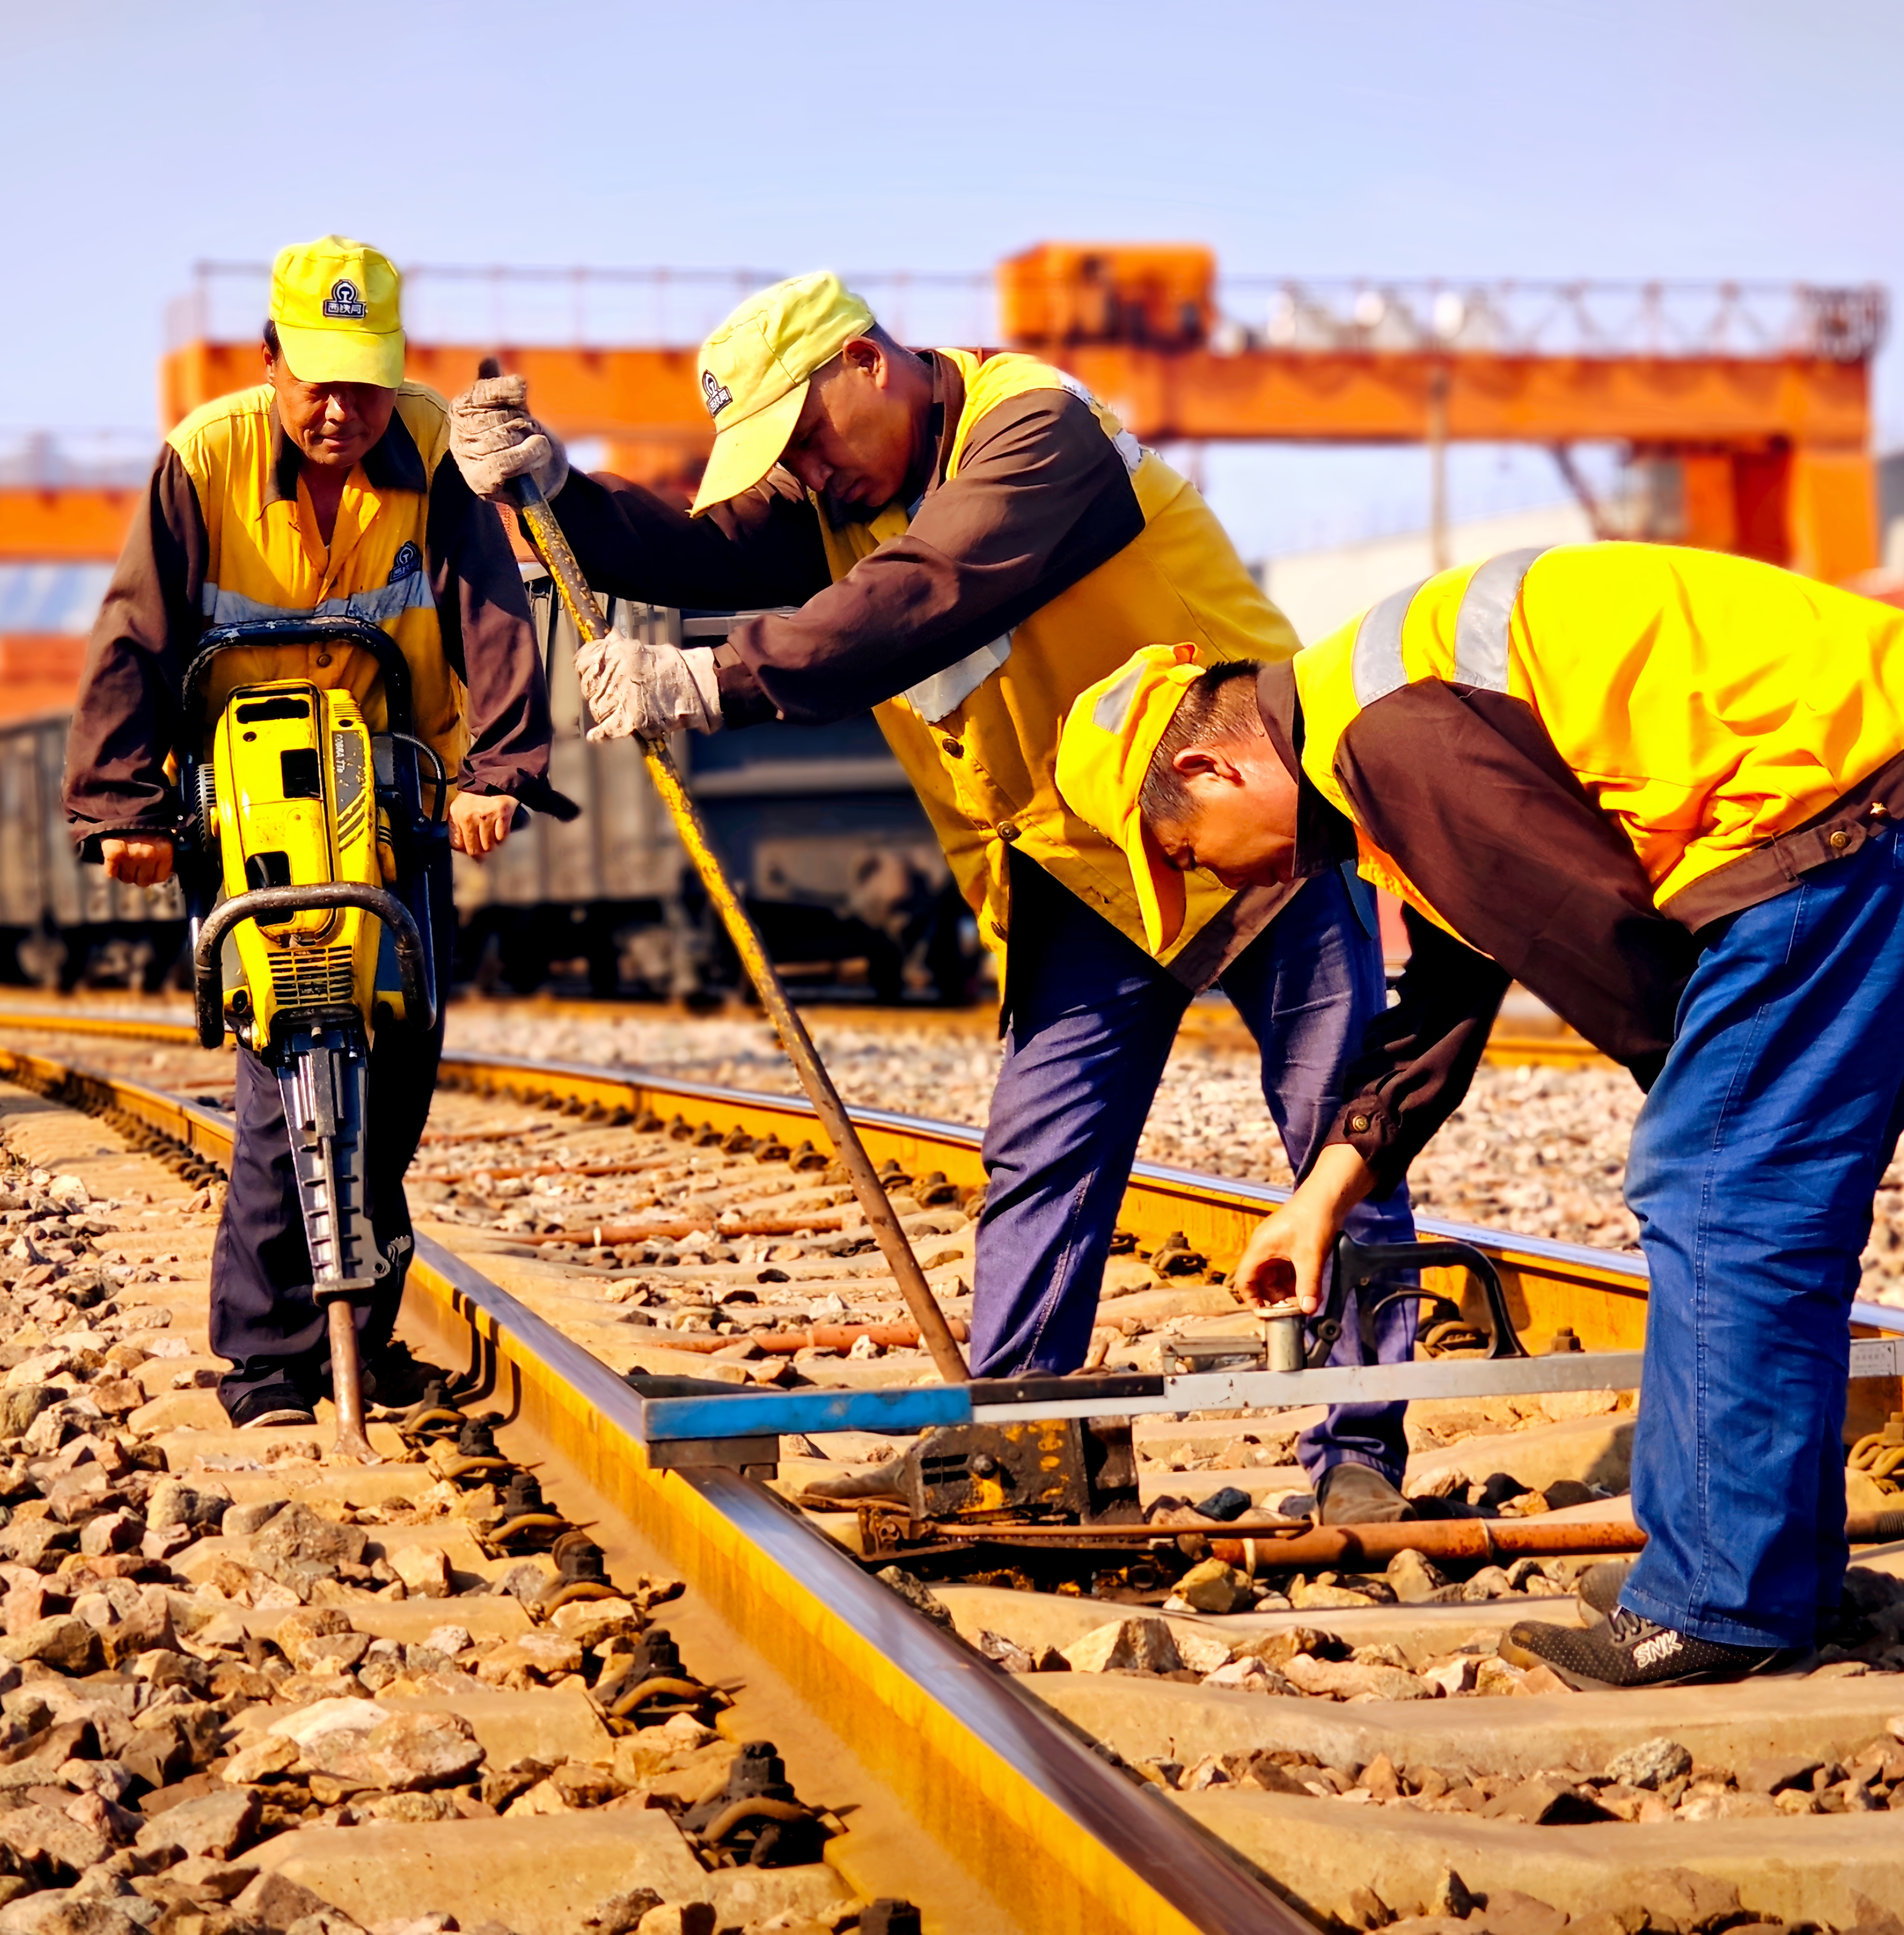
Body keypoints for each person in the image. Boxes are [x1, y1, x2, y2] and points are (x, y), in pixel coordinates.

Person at [449, 271, 1423, 1520]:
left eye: (803, 435)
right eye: (777, 457)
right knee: (1039, 1158)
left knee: (1341, 1127)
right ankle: (1020, 1441)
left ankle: (1355, 1458)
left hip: (1247, 813)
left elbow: (918, 600)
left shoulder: (1033, 431)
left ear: (865, 361)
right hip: (1079, 863)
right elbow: (692, 553)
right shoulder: (837, 491)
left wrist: (706, 684)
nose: (801, 472)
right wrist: (561, 493)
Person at [1054, 540, 1904, 1686]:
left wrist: (1707, 1109)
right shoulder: (1369, 733)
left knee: (1719, 1186)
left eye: (1188, 855)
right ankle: (1767, 1571)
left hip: (1861, 812)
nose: (1223, 884)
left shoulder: (1389, 735)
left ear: (1210, 769)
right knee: (1750, 1194)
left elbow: (1598, 932)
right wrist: (1324, 1193)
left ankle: (1720, 1604)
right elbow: (1451, 987)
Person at [64, 235, 571, 1427]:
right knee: (283, 1065)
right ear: (270, 358)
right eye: (318, 382)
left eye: (365, 381)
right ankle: (268, 1365)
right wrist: (123, 810)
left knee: (394, 1069)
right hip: (249, 803)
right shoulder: (204, 459)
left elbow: (491, 616)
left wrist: (494, 773)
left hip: (391, 790)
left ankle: (367, 1334)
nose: (341, 410)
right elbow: (134, 635)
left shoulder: (436, 450)